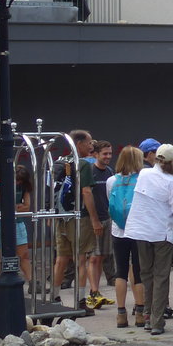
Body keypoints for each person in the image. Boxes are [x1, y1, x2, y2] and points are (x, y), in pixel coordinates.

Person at [124, 143, 173, 336]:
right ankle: (158, 322)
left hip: (141, 231)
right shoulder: (172, 182)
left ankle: (148, 317)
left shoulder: (143, 174)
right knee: (161, 277)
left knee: (147, 275)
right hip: (162, 234)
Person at [52, 130, 101, 314]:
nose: (91, 146)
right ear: (78, 143)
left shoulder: (59, 162)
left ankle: (55, 297)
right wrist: (95, 220)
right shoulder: (83, 165)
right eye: (89, 143)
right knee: (81, 259)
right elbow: (86, 192)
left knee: (61, 259)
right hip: (79, 217)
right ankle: (80, 301)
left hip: (61, 217)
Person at [107, 146, 146, 329]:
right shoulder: (143, 179)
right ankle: (140, 313)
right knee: (138, 272)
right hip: (137, 230)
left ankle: (121, 314)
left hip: (118, 231)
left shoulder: (111, 180)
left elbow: (111, 203)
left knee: (120, 272)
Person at [85, 140, 116, 310]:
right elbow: (86, 196)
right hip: (94, 220)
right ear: (96, 154)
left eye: (110, 153)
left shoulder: (110, 172)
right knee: (94, 257)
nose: (108, 157)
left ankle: (95, 293)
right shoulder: (90, 172)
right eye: (105, 154)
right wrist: (94, 220)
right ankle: (93, 292)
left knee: (103, 256)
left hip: (107, 219)